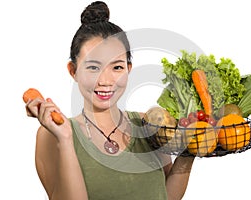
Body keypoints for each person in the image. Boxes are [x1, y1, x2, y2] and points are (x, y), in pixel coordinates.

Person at [25, 1, 195, 199]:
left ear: (128, 70)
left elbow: (166, 196)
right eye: (93, 67)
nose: (105, 81)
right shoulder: (52, 134)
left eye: (117, 67)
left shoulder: (148, 123)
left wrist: (188, 152)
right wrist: (65, 140)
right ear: (74, 71)